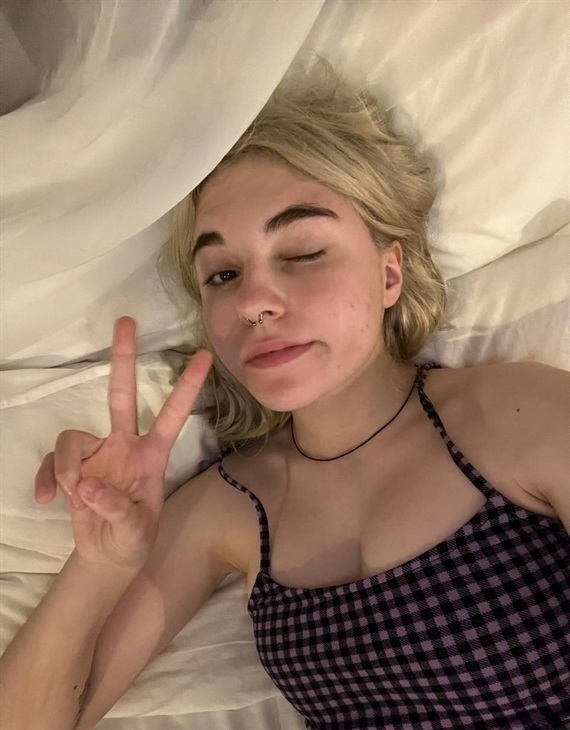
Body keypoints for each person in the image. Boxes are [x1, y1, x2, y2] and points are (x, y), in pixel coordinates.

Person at [1, 55, 568, 730]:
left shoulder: (516, 412)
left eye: (301, 253)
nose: (253, 302)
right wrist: (98, 568)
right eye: (222, 275)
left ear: (390, 274)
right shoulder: (226, 507)